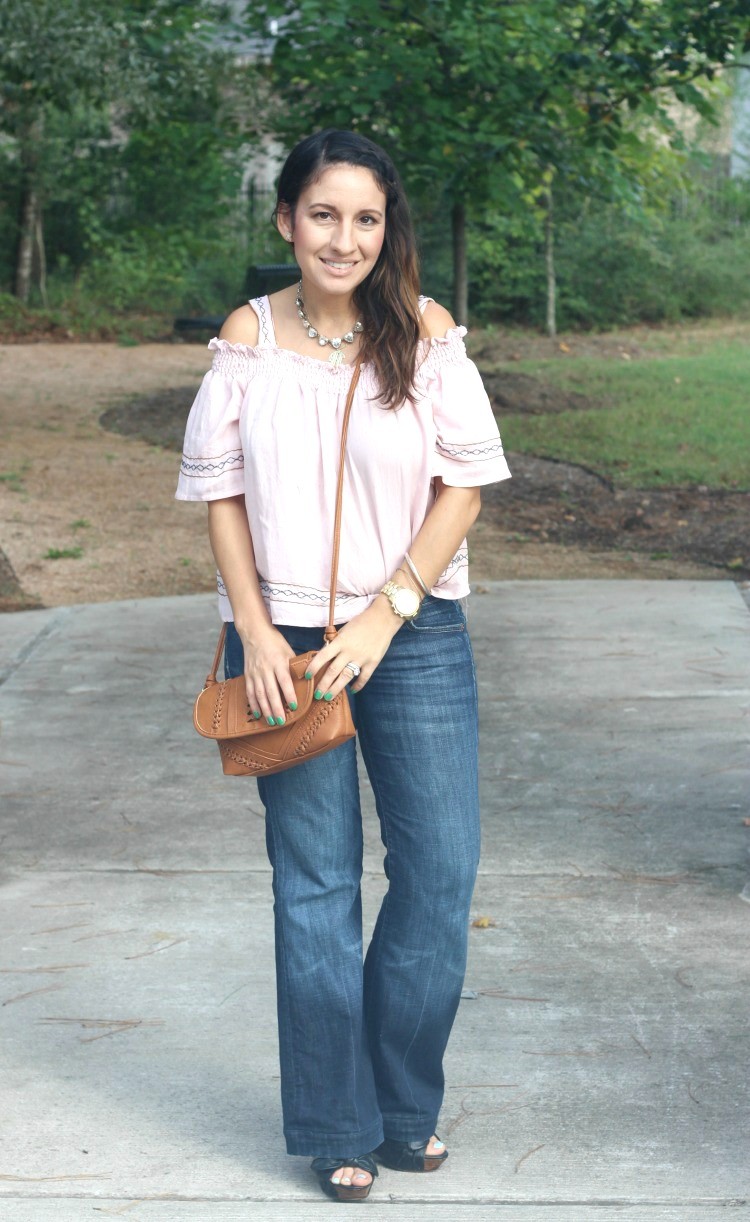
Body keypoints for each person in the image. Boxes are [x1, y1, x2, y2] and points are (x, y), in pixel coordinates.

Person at [175, 128, 511, 1203]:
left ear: (386, 228)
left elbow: (462, 484)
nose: (344, 237)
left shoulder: (424, 333)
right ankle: (340, 1123)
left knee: (440, 872)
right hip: (283, 647)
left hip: (408, 641)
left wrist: (386, 613)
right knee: (315, 888)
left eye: (365, 218)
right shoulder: (248, 338)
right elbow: (221, 492)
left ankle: (403, 1102)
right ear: (286, 221)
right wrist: (259, 628)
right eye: (323, 214)